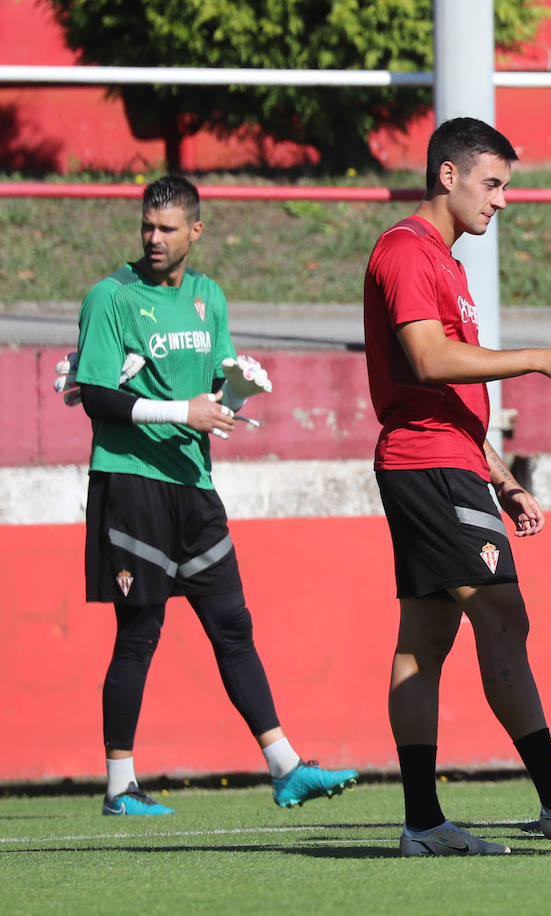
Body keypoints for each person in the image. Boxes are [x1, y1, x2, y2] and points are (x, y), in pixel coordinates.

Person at [362, 116, 551, 857]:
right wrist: (538, 358)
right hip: (428, 466)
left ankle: (422, 821)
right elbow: (427, 360)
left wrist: (500, 474)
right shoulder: (408, 252)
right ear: (447, 176)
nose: (503, 201)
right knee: (504, 619)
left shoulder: (444, 261)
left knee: (423, 642)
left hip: (443, 461)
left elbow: (444, 389)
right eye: (494, 184)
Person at [67, 175, 358, 817]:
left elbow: (216, 391)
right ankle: (120, 786)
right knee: (139, 634)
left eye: (168, 228)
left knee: (233, 625)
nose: (154, 238)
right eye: (147, 226)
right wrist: (181, 410)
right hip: (132, 484)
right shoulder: (111, 297)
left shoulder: (208, 297)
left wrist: (237, 396)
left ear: (195, 231)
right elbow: (94, 397)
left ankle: (285, 767)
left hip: (195, 487)